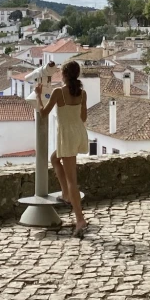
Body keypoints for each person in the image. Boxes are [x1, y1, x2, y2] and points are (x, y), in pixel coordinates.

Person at [40, 60, 90, 237]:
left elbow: (43, 113)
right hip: (78, 133)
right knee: (54, 159)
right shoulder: (82, 93)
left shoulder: (58, 92)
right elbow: (83, 117)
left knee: (72, 180)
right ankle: (65, 194)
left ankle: (80, 219)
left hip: (67, 137)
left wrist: (38, 95)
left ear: (64, 75)